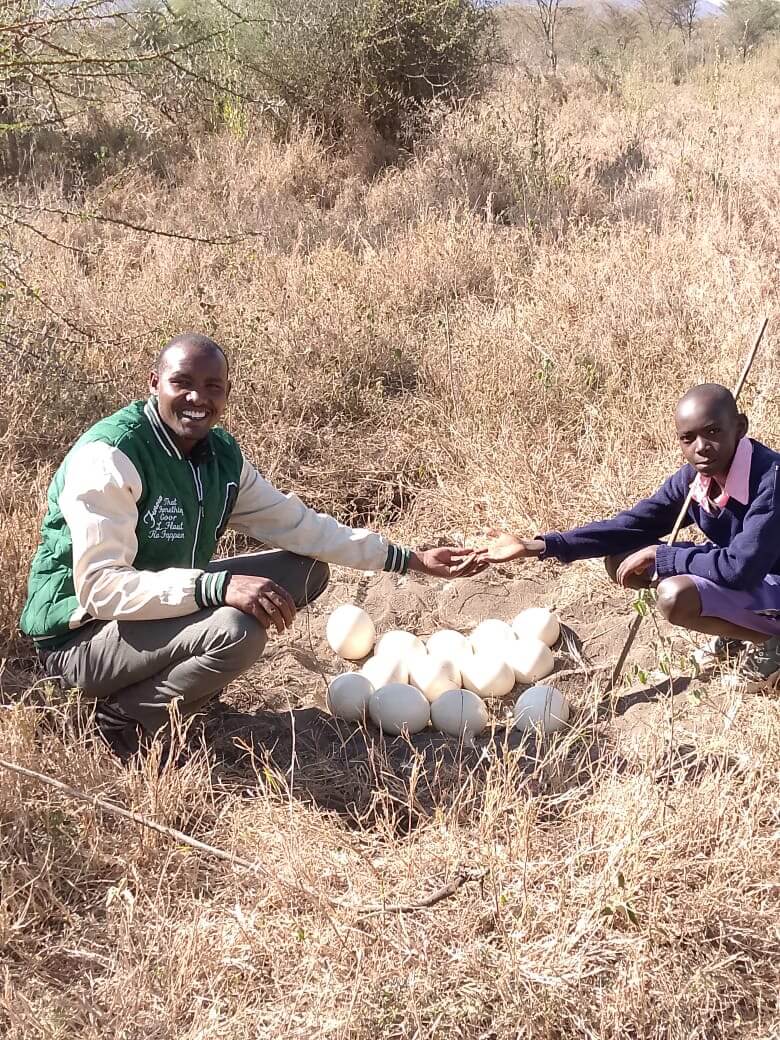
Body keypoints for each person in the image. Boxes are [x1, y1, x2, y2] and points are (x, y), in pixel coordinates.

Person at [20, 332, 484, 756]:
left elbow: (302, 526)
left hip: (151, 616)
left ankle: (180, 680)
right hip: (79, 641)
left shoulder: (217, 456)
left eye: (212, 386)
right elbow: (101, 589)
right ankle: (124, 720)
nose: (197, 398)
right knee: (237, 630)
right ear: (154, 383)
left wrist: (410, 559)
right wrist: (213, 588)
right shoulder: (111, 457)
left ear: (226, 393)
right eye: (181, 383)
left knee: (307, 569)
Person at [481, 383, 780, 689]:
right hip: (748, 574)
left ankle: (771, 643)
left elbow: (741, 568)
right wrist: (538, 545)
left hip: (765, 577)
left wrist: (667, 557)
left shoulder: (770, 480)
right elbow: (631, 526)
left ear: (740, 426)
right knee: (623, 557)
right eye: (688, 438)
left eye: (713, 432)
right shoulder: (696, 479)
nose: (701, 447)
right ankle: (739, 632)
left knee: (675, 596)